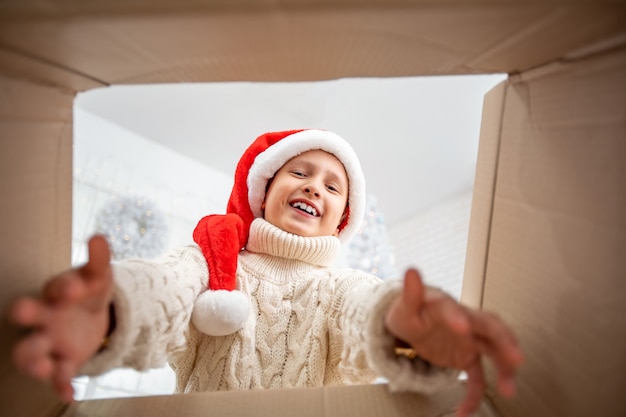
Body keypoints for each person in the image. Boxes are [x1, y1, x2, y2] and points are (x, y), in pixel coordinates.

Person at [8, 129, 522, 417]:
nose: (314, 187)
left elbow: (367, 313)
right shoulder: (213, 266)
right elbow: (162, 289)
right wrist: (110, 314)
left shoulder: (338, 286)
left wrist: (410, 330)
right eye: (299, 172)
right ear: (264, 189)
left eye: (332, 186)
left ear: (341, 219)